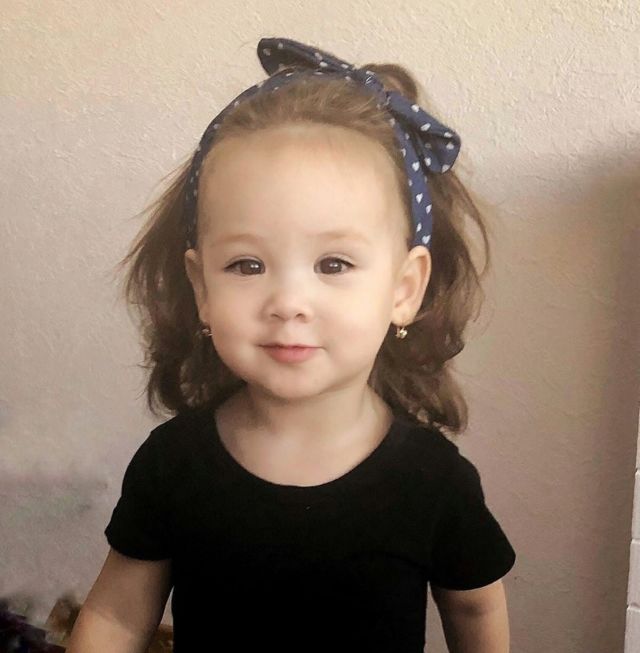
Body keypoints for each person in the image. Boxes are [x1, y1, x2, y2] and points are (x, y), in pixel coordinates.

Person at [66, 36, 516, 653]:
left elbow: (475, 609)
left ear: (404, 288)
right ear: (201, 287)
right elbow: (117, 617)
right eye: (247, 265)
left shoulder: (433, 480)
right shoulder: (173, 465)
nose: (288, 301)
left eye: (333, 264)